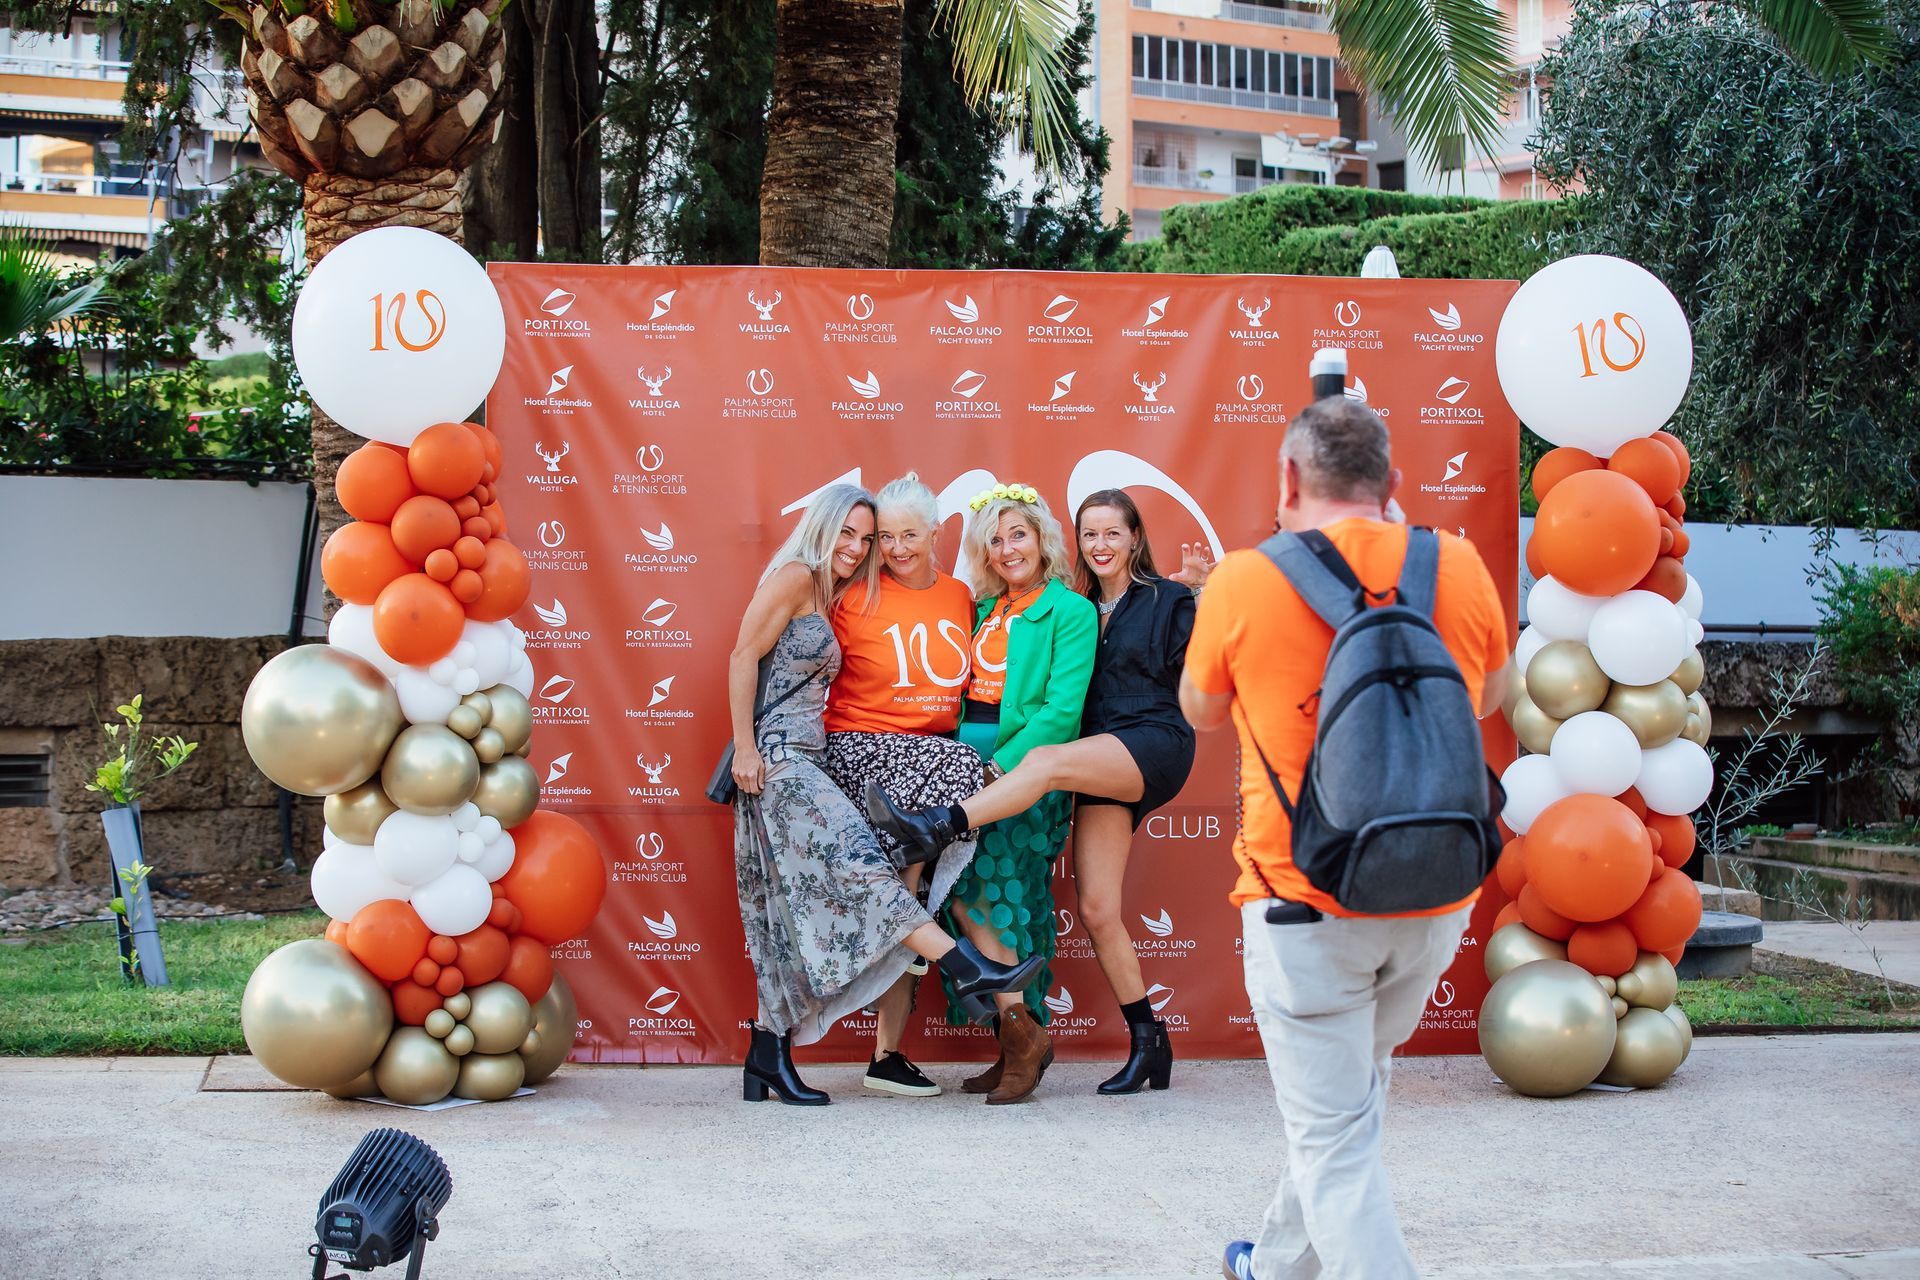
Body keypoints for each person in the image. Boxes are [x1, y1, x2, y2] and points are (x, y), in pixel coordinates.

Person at [1176, 400, 1511, 1278]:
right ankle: (1278, 1264)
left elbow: (1199, 710)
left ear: (1289, 479)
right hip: (1435, 887)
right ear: (1393, 483)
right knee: (1350, 1100)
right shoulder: (1456, 563)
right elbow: (1491, 695)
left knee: (1333, 1136)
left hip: (1304, 897)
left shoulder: (1244, 580)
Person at [867, 489, 1213, 1095]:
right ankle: (1142, 1041)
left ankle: (940, 826)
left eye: (1113, 532)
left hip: (1119, 747)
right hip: (1083, 757)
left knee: (995, 885)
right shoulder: (1019, 606)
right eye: (1091, 534)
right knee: (1092, 909)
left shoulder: (1137, 602)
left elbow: (1070, 707)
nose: (1100, 544)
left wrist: (1200, 596)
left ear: (1135, 537)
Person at [727, 483, 1045, 1106]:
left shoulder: (844, 590)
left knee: (785, 912)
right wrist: (744, 748)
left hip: (812, 757)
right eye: (854, 534)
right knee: (865, 870)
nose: (864, 547)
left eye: (867, 537)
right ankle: (969, 969)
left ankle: (768, 1052)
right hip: (783, 760)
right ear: (822, 528)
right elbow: (743, 655)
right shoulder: (803, 579)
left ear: (932, 535)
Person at [818, 472, 984, 1098]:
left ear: (936, 533)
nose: (896, 549)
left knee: (916, 903)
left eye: (909, 535)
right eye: (885, 537)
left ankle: (887, 1055)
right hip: (866, 754)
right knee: (954, 782)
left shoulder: (960, 597)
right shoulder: (852, 597)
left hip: (929, 771)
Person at [931, 483, 1097, 1105]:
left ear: (1042, 539)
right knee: (962, 897)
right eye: (995, 541)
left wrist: (998, 768)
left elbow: (1061, 712)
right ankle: (1016, 1041)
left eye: (1017, 535)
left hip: (1022, 773)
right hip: (960, 764)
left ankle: (1025, 1039)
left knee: (1000, 895)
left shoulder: (1071, 612)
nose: (1007, 550)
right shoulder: (981, 610)